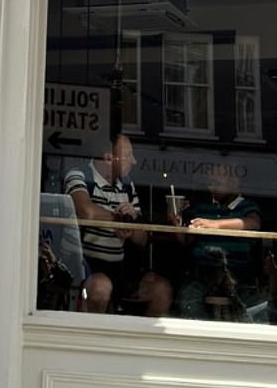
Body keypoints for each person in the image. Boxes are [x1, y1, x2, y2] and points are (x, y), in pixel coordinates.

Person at [63, 134, 172, 315]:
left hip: (119, 269)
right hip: (82, 267)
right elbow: (85, 210)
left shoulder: (127, 186)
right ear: (108, 157)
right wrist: (120, 219)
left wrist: (130, 228)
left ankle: (141, 343)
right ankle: (93, 342)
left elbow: (142, 239)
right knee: (100, 288)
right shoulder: (79, 175)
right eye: (128, 155)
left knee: (161, 290)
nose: (134, 161)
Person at [173, 174, 262, 321]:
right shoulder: (202, 207)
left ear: (234, 184)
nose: (212, 187)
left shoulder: (247, 206)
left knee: (253, 310)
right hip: (203, 271)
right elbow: (186, 240)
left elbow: (253, 223)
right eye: (210, 183)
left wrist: (213, 224)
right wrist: (176, 225)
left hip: (238, 272)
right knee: (188, 300)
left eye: (217, 182)